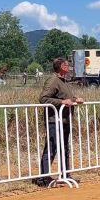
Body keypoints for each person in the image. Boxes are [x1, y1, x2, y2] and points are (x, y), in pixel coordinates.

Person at [37, 57, 84, 186]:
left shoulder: (64, 81)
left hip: (65, 120)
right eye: (66, 65)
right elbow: (43, 98)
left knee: (64, 148)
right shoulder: (53, 81)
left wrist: (75, 99)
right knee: (51, 148)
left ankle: (65, 174)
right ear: (60, 67)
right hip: (54, 120)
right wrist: (61, 102)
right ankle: (43, 177)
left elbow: (65, 97)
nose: (68, 67)